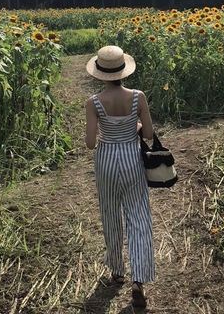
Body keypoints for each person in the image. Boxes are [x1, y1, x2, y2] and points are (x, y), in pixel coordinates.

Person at [85, 45, 155, 308]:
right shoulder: (138, 97)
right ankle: (139, 279)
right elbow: (147, 133)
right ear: (124, 70)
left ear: (99, 73)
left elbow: (91, 142)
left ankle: (116, 270)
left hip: (106, 162)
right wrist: (133, 125)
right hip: (132, 159)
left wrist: (106, 130)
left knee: (111, 214)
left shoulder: (93, 103)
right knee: (138, 216)